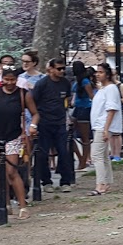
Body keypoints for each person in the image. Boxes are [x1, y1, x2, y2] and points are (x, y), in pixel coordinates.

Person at [0, 62, 36, 218]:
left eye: (13, 80)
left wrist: (33, 125)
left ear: (17, 79)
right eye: (7, 80)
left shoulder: (23, 94)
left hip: (13, 135)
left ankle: (22, 205)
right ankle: (4, 204)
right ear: (2, 79)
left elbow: (35, 113)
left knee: (11, 172)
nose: (10, 83)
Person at [30, 57, 75, 192]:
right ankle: (46, 181)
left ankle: (65, 181)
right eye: (59, 68)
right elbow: (33, 102)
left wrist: (66, 115)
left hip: (60, 122)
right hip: (44, 122)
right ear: (50, 69)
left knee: (64, 151)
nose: (62, 71)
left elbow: (67, 99)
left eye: (63, 68)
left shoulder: (65, 83)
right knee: (43, 153)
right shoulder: (42, 84)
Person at [88, 63, 123, 196]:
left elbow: (111, 109)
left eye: (101, 72)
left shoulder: (111, 89)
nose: (98, 74)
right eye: (97, 72)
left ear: (107, 74)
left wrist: (106, 129)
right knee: (102, 156)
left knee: (96, 155)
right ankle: (106, 181)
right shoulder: (103, 89)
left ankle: (100, 183)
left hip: (102, 126)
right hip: (99, 125)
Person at [71, 61, 94, 171]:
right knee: (69, 134)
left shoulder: (85, 81)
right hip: (77, 108)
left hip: (85, 108)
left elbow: (91, 96)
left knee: (85, 137)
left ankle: (84, 160)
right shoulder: (78, 80)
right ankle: (80, 158)